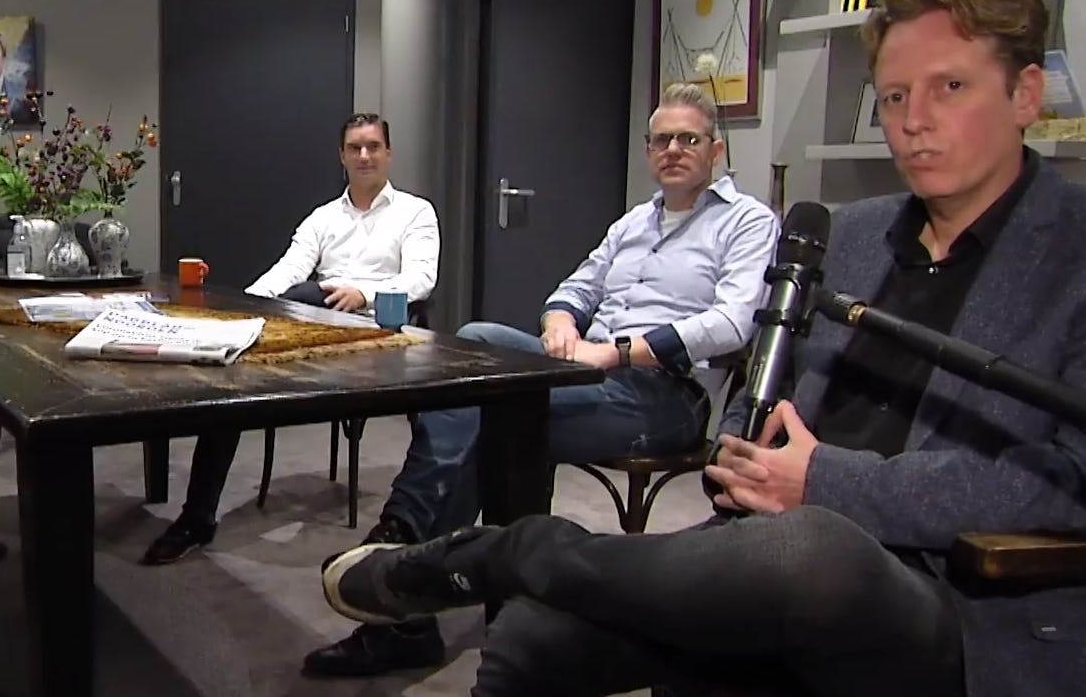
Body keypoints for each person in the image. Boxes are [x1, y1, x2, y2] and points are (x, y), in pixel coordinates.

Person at [316, 0, 1086, 697]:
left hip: (957, 594)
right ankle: (501, 565)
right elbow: (764, 385)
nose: (913, 120)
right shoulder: (850, 233)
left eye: (950, 87)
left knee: (813, 549)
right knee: (536, 635)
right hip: (767, 541)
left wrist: (825, 481)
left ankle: (502, 550)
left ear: (1025, 94)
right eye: (893, 95)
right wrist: (749, 452)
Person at [300, 82, 781, 677]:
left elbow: (732, 323)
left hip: (665, 394)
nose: (673, 150)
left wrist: (616, 353)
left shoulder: (747, 221)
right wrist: (560, 322)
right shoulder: (635, 221)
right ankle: (427, 561)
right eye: (661, 140)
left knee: (496, 416)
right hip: (586, 369)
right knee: (475, 343)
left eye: (688, 139)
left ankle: (406, 562)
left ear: (716, 150)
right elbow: (577, 287)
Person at [141, 112, 440, 565]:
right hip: (316, 328)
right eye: (355, 148)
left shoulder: (415, 212)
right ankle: (196, 518)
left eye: (373, 147)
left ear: (388, 153)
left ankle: (420, 514)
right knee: (233, 379)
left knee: (307, 296)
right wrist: (243, 306)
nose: (364, 156)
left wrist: (364, 293)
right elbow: (288, 269)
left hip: (381, 329)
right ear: (341, 156)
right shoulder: (324, 217)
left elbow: (420, 278)